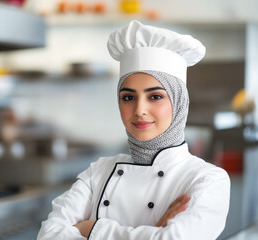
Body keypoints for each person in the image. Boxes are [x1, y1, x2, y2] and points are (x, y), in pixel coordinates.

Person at [37, 20, 230, 240]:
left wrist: (90, 229)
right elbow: (48, 236)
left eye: (155, 96)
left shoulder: (207, 180)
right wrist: (155, 231)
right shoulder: (98, 172)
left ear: (179, 103)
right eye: (128, 97)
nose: (139, 110)